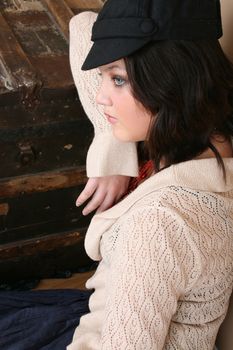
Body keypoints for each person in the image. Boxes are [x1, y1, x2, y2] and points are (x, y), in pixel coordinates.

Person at [67, 0, 233, 349]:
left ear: (171, 81)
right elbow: (83, 26)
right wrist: (112, 150)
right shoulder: (210, 137)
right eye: (103, 77)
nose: (100, 98)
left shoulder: (159, 224)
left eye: (117, 79)